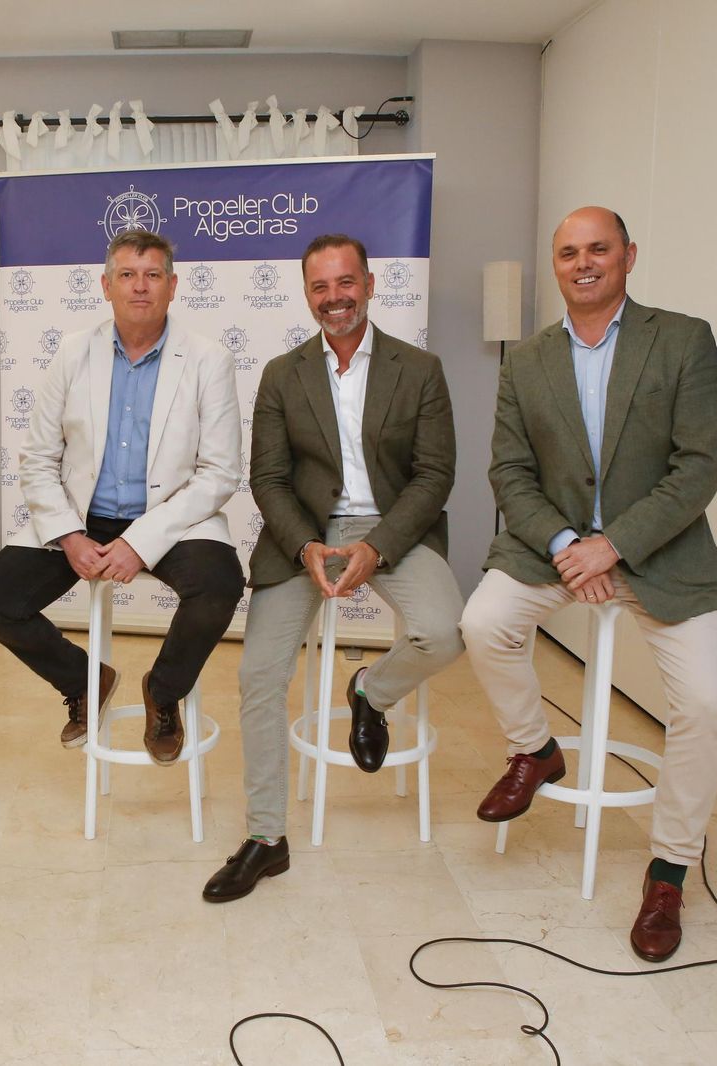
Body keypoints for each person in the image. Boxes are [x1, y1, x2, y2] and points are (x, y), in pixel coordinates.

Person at [460, 206, 717, 962]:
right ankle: (535, 748)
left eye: (599, 250)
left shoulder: (681, 340)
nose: (584, 263)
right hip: (557, 550)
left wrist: (614, 545)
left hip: (662, 553)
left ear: (628, 256)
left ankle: (670, 869)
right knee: (483, 624)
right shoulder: (529, 359)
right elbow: (509, 472)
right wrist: (563, 542)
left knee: (706, 703)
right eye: (569, 252)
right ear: (557, 266)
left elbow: (699, 467)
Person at [202, 233, 466, 903]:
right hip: (306, 536)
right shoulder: (281, 374)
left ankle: (369, 693)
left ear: (370, 285)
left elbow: (434, 476)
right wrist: (304, 547)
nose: (334, 297)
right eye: (320, 287)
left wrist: (377, 547)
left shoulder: (420, 369)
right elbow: (268, 476)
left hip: (394, 529)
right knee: (259, 672)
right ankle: (266, 837)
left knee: (442, 630)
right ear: (306, 294)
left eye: (345, 282)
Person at [0, 230, 243, 766]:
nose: (140, 287)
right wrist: (68, 535)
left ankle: (163, 694)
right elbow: (39, 458)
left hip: (173, 520)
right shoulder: (73, 352)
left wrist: (140, 542)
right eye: (127, 275)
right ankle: (85, 679)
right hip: (81, 517)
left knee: (219, 585)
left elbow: (219, 474)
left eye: (153, 275)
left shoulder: (210, 359)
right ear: (106, 285)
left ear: (173, 286)